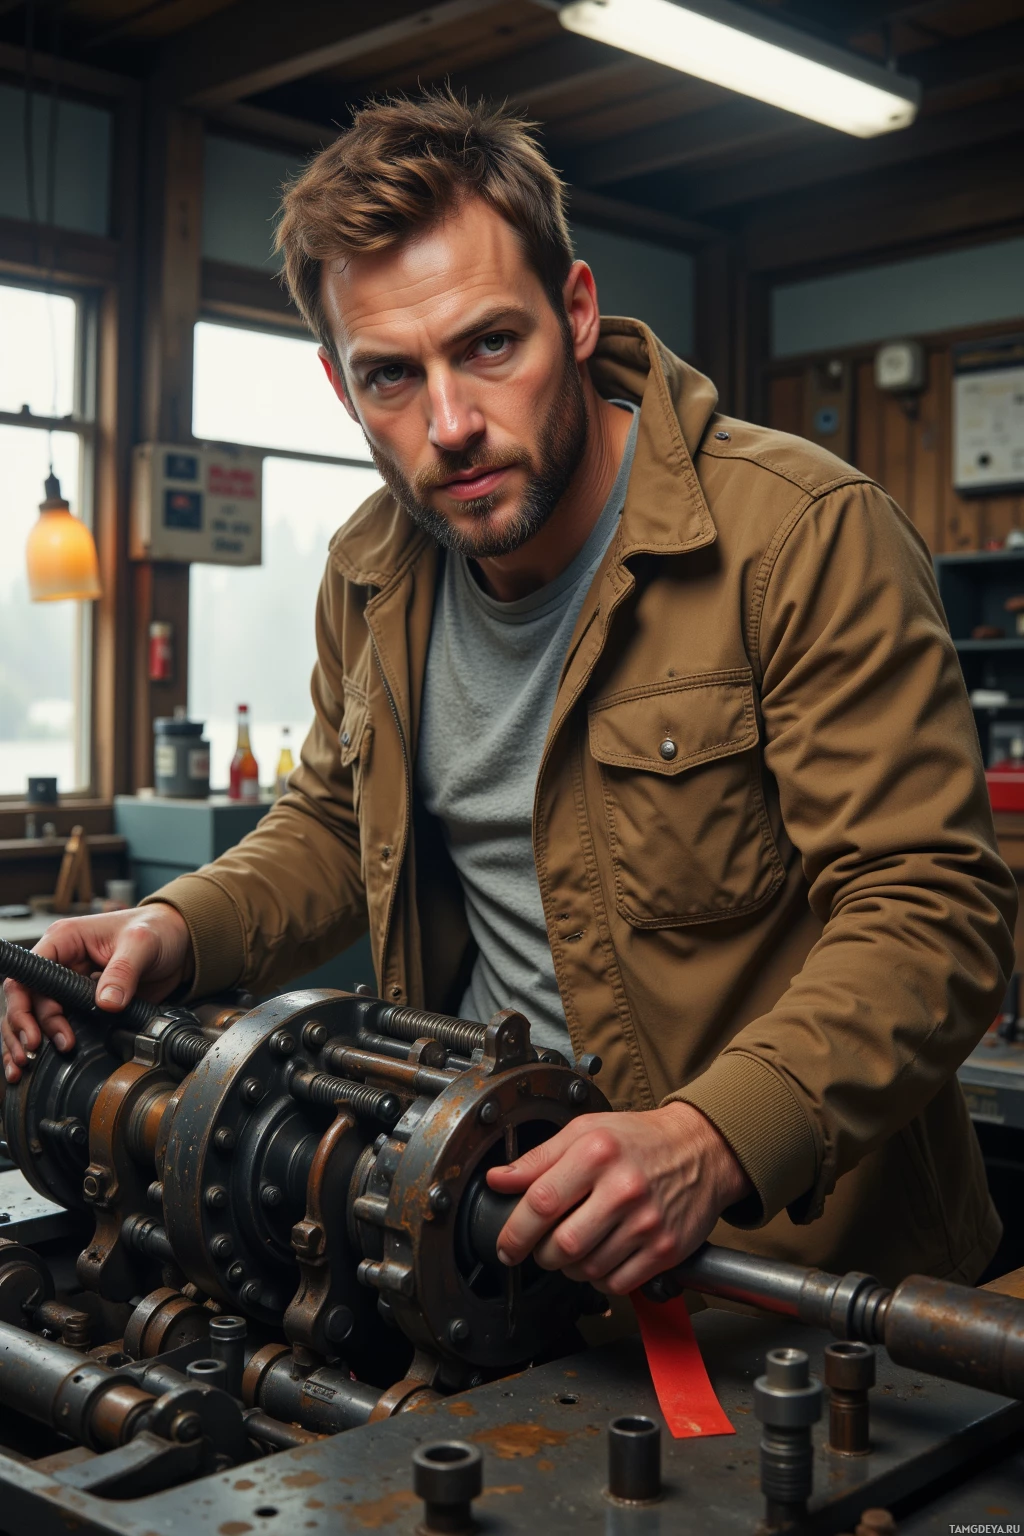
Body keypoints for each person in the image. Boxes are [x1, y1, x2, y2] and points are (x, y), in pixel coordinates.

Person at [3, 92, 1015, 1297]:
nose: (451, 425)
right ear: (340, 388)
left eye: (490, 344)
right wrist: (174, 927)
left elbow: (930, 910)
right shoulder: (369, 571)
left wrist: (711, 1137)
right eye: (391, 375)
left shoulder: (800, 537)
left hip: (785, 1279)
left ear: (576, 313)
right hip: (490, 1253)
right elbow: (330, 828)